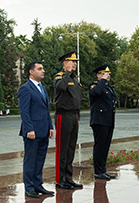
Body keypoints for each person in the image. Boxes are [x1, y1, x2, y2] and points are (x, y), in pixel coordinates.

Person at [18, 61, 55, 198]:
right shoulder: (25, 88)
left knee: (40, 159)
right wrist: (29, 129)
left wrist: (50, 126)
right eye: (40, 69)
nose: (43, 71)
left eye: (43, 68)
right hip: (32, 131)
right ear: (31, 72)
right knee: (30, 159)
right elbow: (24, 111)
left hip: (44, 130)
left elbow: (46, 110)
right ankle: (29, 187)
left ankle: (38, 185)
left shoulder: (43, 88)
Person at [52, 51, 83, 190]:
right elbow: (61, 87)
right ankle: (60, 179)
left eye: (75, 62)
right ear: (65, 63)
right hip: (63, 115)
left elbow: (77, 100)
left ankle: (69, 178)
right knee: (62, 149)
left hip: (74, 116)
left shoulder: (75, 78)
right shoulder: (60, 77)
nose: (75, 63)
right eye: (72, 61)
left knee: (71, 148)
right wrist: (67, 72)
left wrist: (78, 117)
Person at [89, 64, 117, 179]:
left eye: (108, 74)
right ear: (98, 75)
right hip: (99, 121)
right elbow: (96, 93)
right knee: (100, 146)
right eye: (104, 73)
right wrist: (102, 80)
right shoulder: (95, 86)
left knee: (105, 146)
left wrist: (104, 81)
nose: (107, 75)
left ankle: (103, 169)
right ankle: (98, 171)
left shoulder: (108, 87)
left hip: (108, 120)